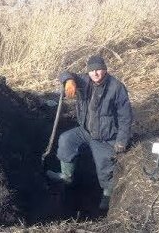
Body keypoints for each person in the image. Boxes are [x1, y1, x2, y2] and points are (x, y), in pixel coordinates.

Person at [46, 55, 133, 210]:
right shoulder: (84, 81)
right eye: (92, 70)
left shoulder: (116, 88)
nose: (95, 74)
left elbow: (125, 117)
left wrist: (121, 140)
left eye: (98, 69)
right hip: (85, 131)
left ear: (105, 69)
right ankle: (67, 177)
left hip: (106, 137)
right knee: (66, 140)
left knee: (105, 166)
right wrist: (68, 81)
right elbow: (65, 73)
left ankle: (107, 195)